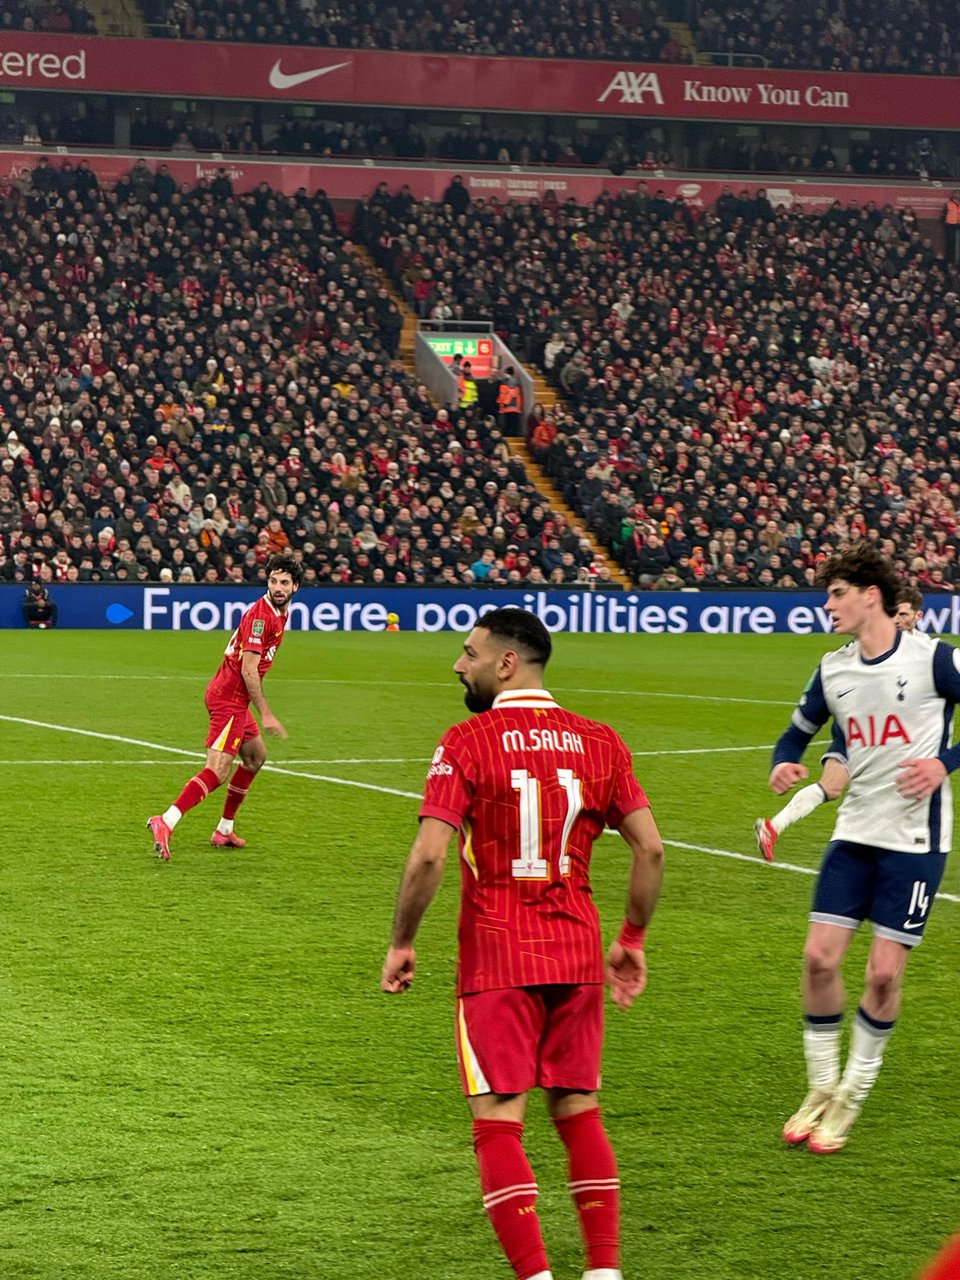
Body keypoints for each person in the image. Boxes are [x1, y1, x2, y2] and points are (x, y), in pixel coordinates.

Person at [381, 608, 664, 1280]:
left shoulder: (467, 741)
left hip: (498, 955)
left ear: (507, 663)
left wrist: (401, 940)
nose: (459, 664)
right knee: (577, 1108)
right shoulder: (602, 742)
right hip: (576, 952)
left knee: (498, 1119)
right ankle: (604, 1272)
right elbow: (650, 849)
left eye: (469, 653)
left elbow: (428, 857)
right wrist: (631, 940)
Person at [766, 545, 959, 1154]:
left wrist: (944, 763)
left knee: (881, 974)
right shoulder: (833, 669)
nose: (826, 606)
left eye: (836, 594)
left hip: (916, 842)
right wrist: (783, 765)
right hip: (853, 834)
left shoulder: (935, 660)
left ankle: (851, 1094)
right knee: (820, 960)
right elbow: (794, 732)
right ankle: (820, 1088)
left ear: (869, 595)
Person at [146, 553, 302, 860]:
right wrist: (266, 713)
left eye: (284, 582)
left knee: (256, 757)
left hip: (236, 699)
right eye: (273, 581)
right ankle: (166, 820)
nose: (278, 587)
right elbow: (248, 670)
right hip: (228, 697)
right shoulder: (262, 617)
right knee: (217, 771)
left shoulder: (280, 611)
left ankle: (224, 830)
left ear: (295, 586)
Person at [755, 585, 926, 861]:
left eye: (904, 614)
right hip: (858, 731)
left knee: (835, 789)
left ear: (917, 617)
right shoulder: (857, 651)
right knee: (837, 786)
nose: (897, 619)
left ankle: (773, 826)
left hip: (898, 738)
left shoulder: (929, 654)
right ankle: (775, 828)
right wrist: (784, 761)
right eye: (894, 613)